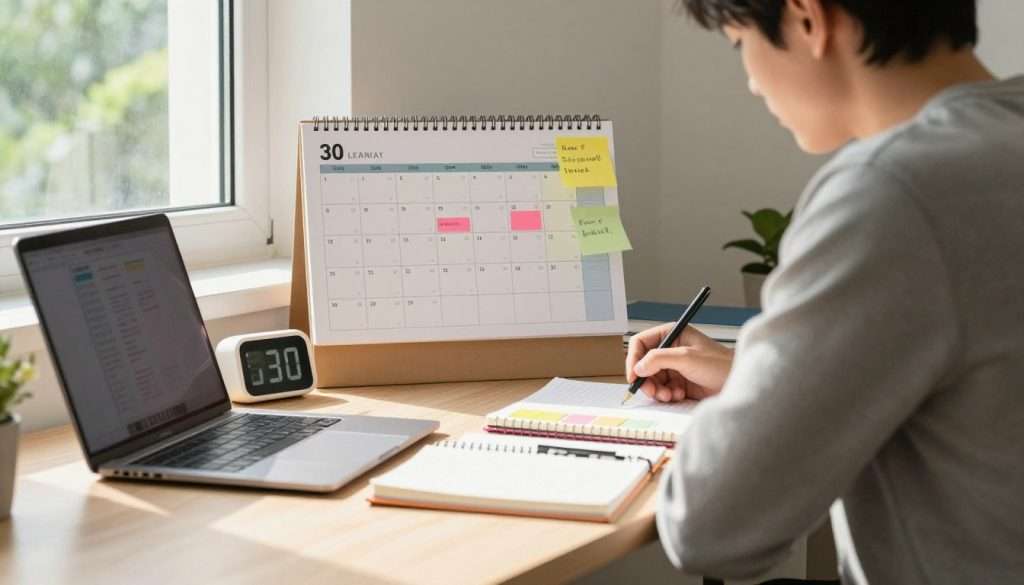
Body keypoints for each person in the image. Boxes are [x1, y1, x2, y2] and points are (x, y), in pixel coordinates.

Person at [626, 1, 1024, 583]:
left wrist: (756, 399)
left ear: (808, 18)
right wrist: (760, 380)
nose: (752, 83)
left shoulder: (892, 191)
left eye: (742, 45)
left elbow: (712, 529)